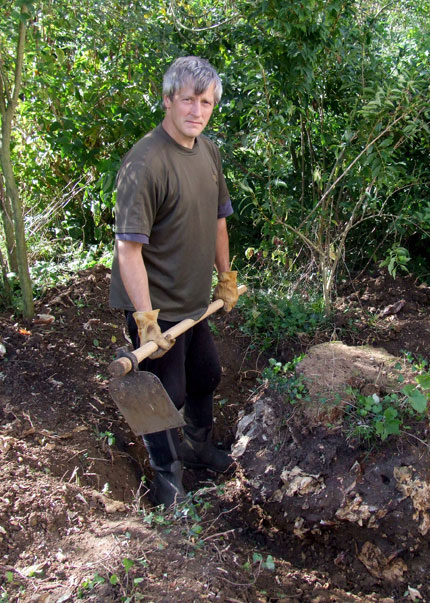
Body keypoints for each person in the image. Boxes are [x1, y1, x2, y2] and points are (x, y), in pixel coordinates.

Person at [109, 56, 239, 508]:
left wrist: (226, 277)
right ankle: (167, 483)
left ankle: (197, 446)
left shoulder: (207, 151)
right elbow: (128, 249)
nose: (196, 110)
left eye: (205, 102)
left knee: (206, 373)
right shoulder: (145, 162)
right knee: (166, 392)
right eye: (188, 99)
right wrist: (146, 321)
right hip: (155, 302)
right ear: (168, 100)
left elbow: (220, 221)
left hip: (192, 299)